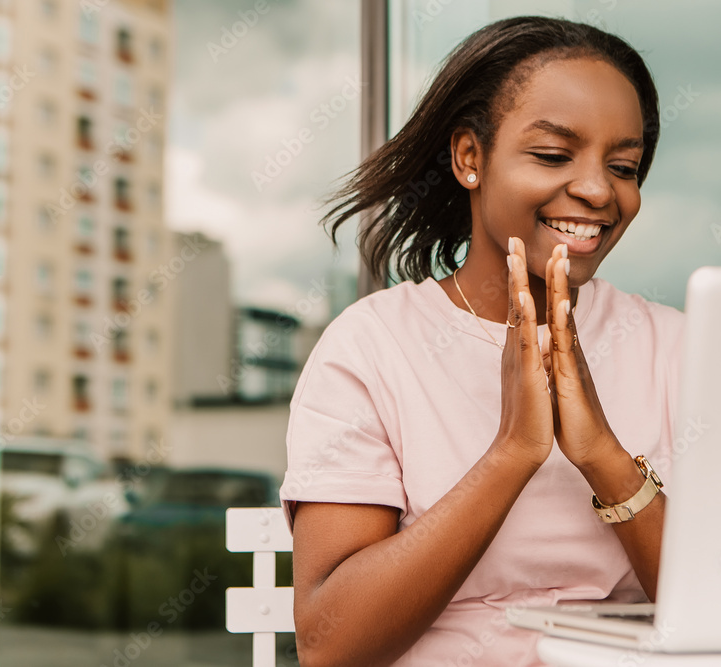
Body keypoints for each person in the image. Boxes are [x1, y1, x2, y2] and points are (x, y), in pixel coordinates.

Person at [279, 16, 685, 667]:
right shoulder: (371, 347)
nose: (597, 189)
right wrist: (512, 452)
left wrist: (604, 458)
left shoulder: (674, 347)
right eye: (554, 155)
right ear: (471, 157)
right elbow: (331, 645)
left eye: (624, 165)